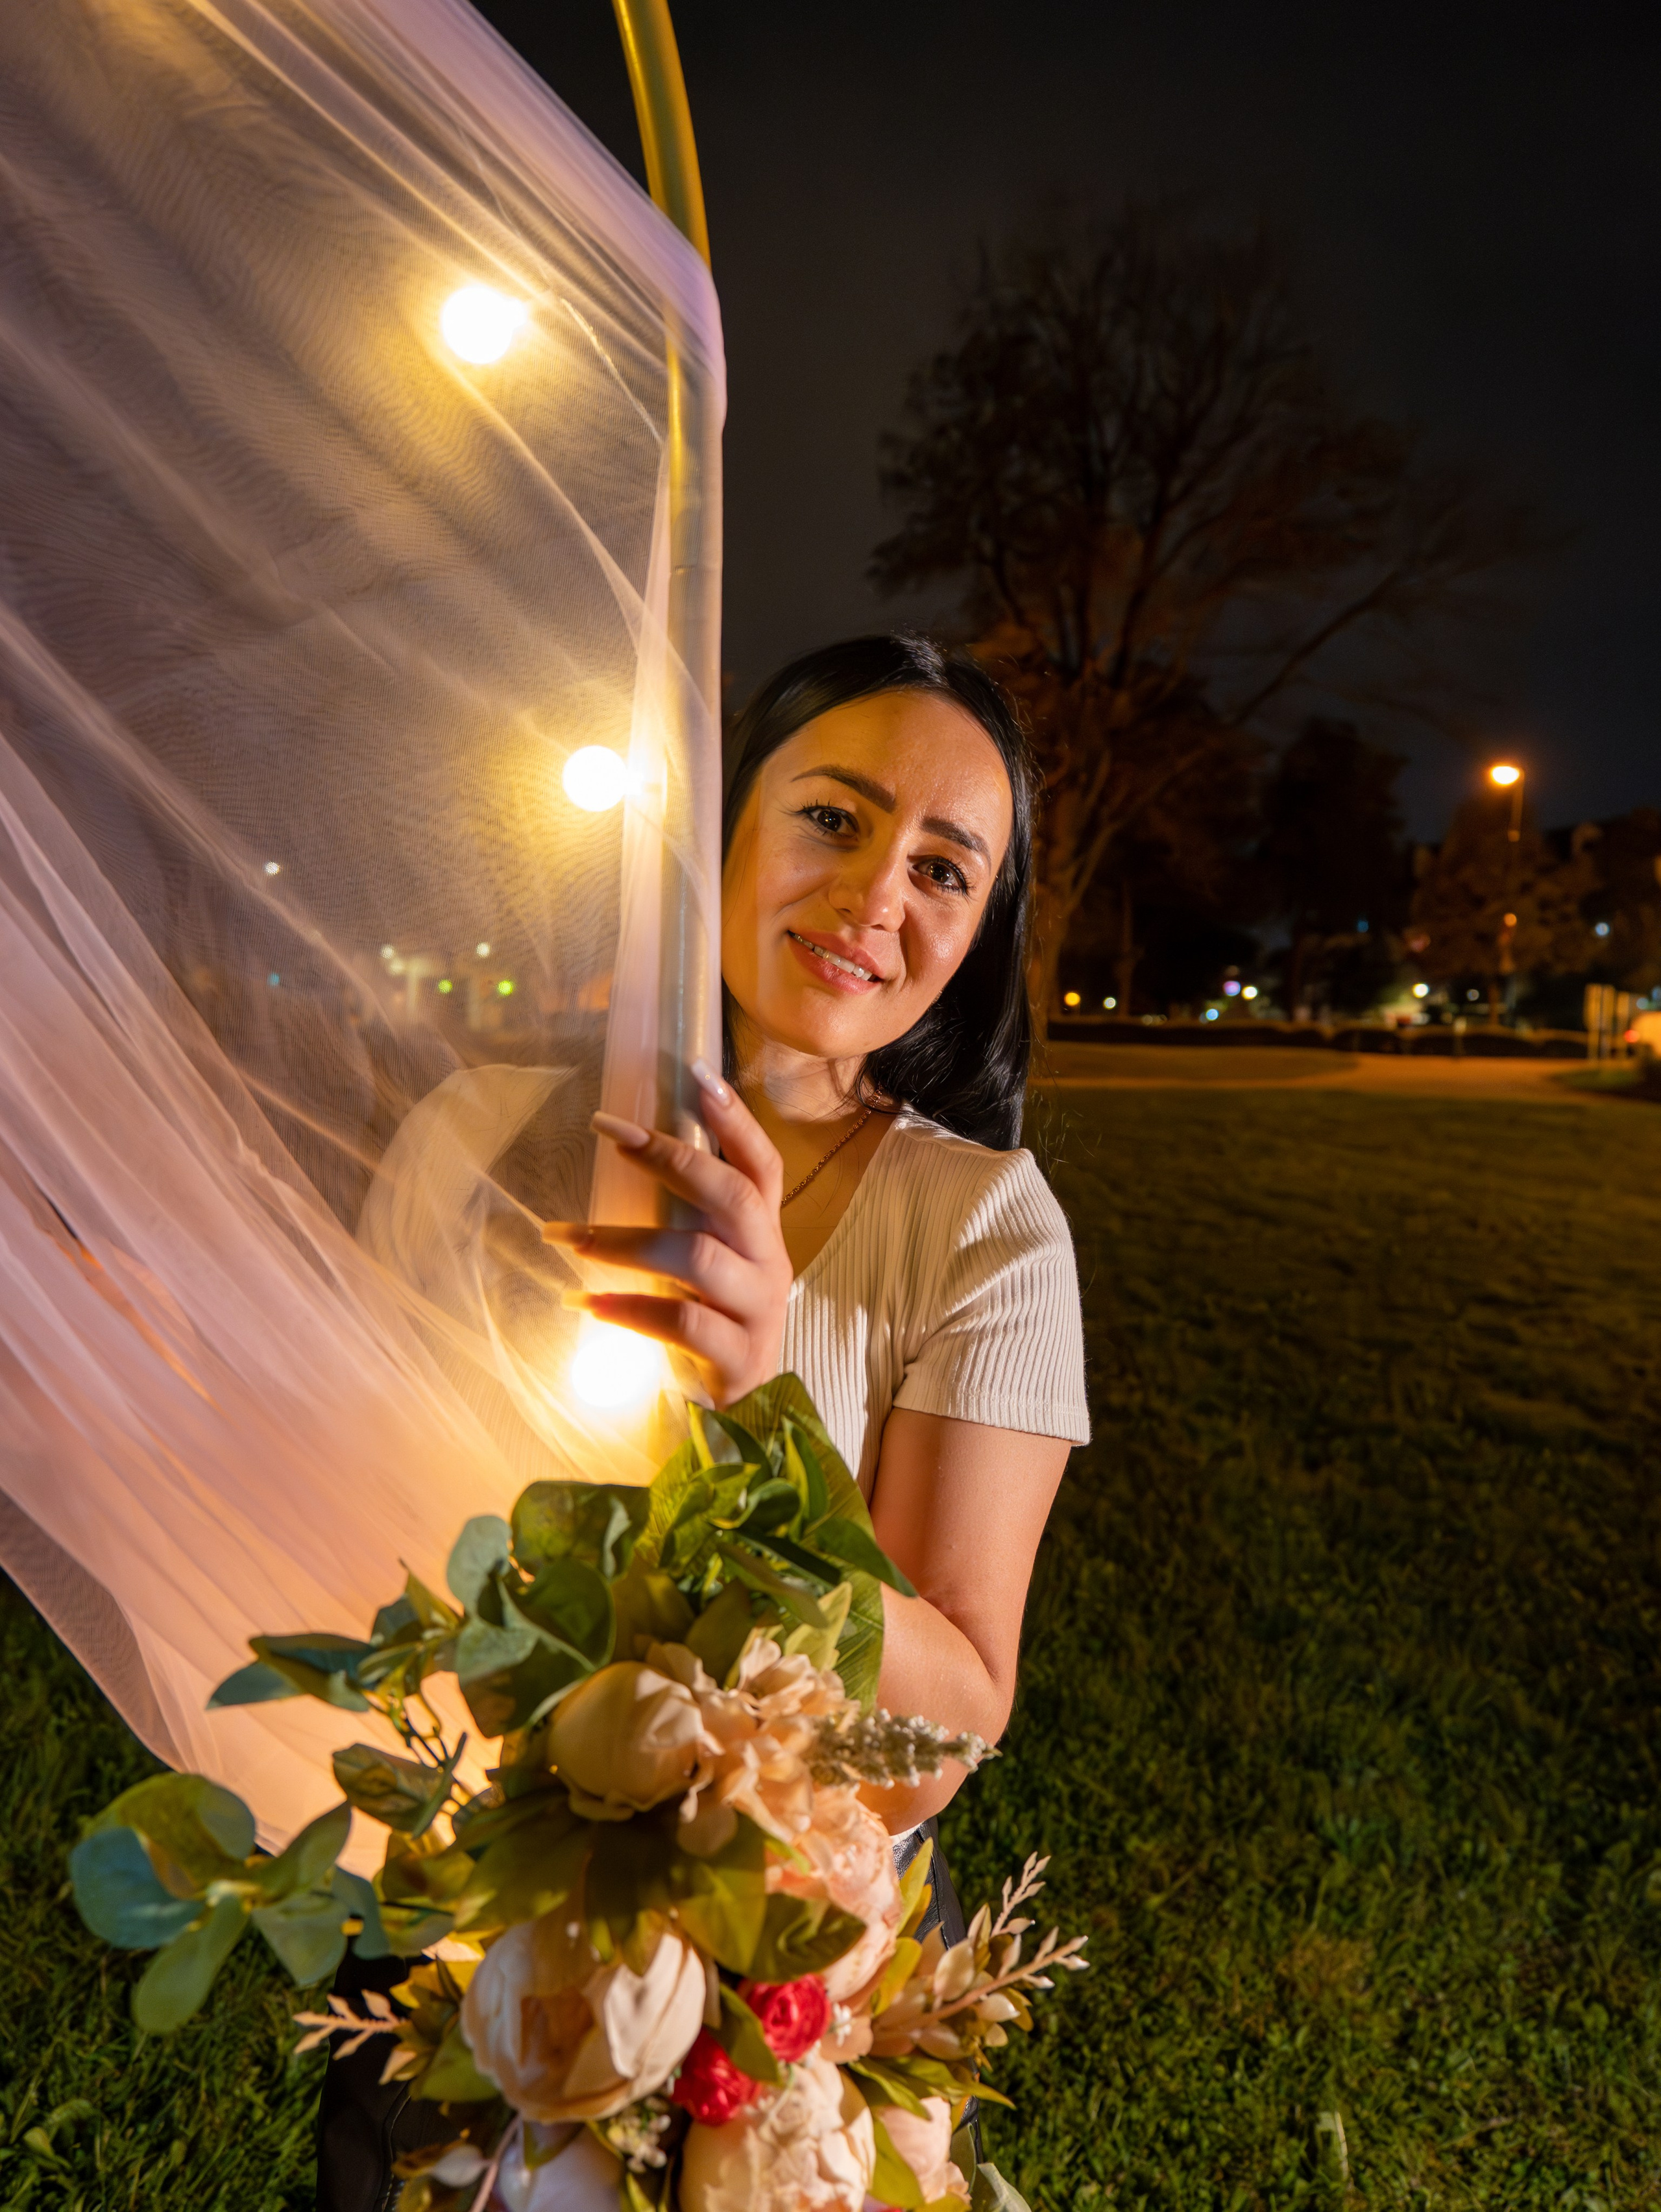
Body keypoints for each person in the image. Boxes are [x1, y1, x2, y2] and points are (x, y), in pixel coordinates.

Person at [316, 631, 1087, 2204]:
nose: (878, 893)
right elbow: (352, 1530)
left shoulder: (985, 1228)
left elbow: (935, 1737)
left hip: (782, 1984)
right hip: (472, 1933)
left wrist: (758, 1407)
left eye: (945, 866)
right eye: (833, 816)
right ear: (717, 821)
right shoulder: (472, 1133)